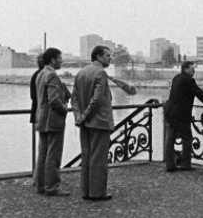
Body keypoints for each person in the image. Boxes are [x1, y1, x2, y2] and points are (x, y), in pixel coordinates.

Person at [72, 45, 136, 201]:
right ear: (98, 57)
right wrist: (86, 116)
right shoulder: (100, 72)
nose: (110, 58)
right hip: (99, 121)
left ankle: (86, 191)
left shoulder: (81, 72)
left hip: (84, 124)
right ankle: (97, 192)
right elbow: (97, 100)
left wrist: (79, 117)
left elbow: (74, 99)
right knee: (98, 159)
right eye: (107, 55)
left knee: (87, 157)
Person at [164, 60, 203, 172]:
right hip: (181, 115)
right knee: (187, 138)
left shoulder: (176, 78)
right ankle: (185, 164)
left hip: (169, 112)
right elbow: (199, 93)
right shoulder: (189, 80)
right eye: (193, 69)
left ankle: (170, 165)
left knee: (170, 139)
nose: (194, 71)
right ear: (186, 69)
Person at [34, 48, 71, 196]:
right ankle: (52, 186)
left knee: (43, 153)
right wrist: (64, 109)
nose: (62, 61)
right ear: (53, 60)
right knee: (53, 154)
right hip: (53, 119)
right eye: (60, 58)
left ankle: (40, 185)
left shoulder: (40, 74)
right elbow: (54, 99)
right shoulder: (52, 75)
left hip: (41, 118)